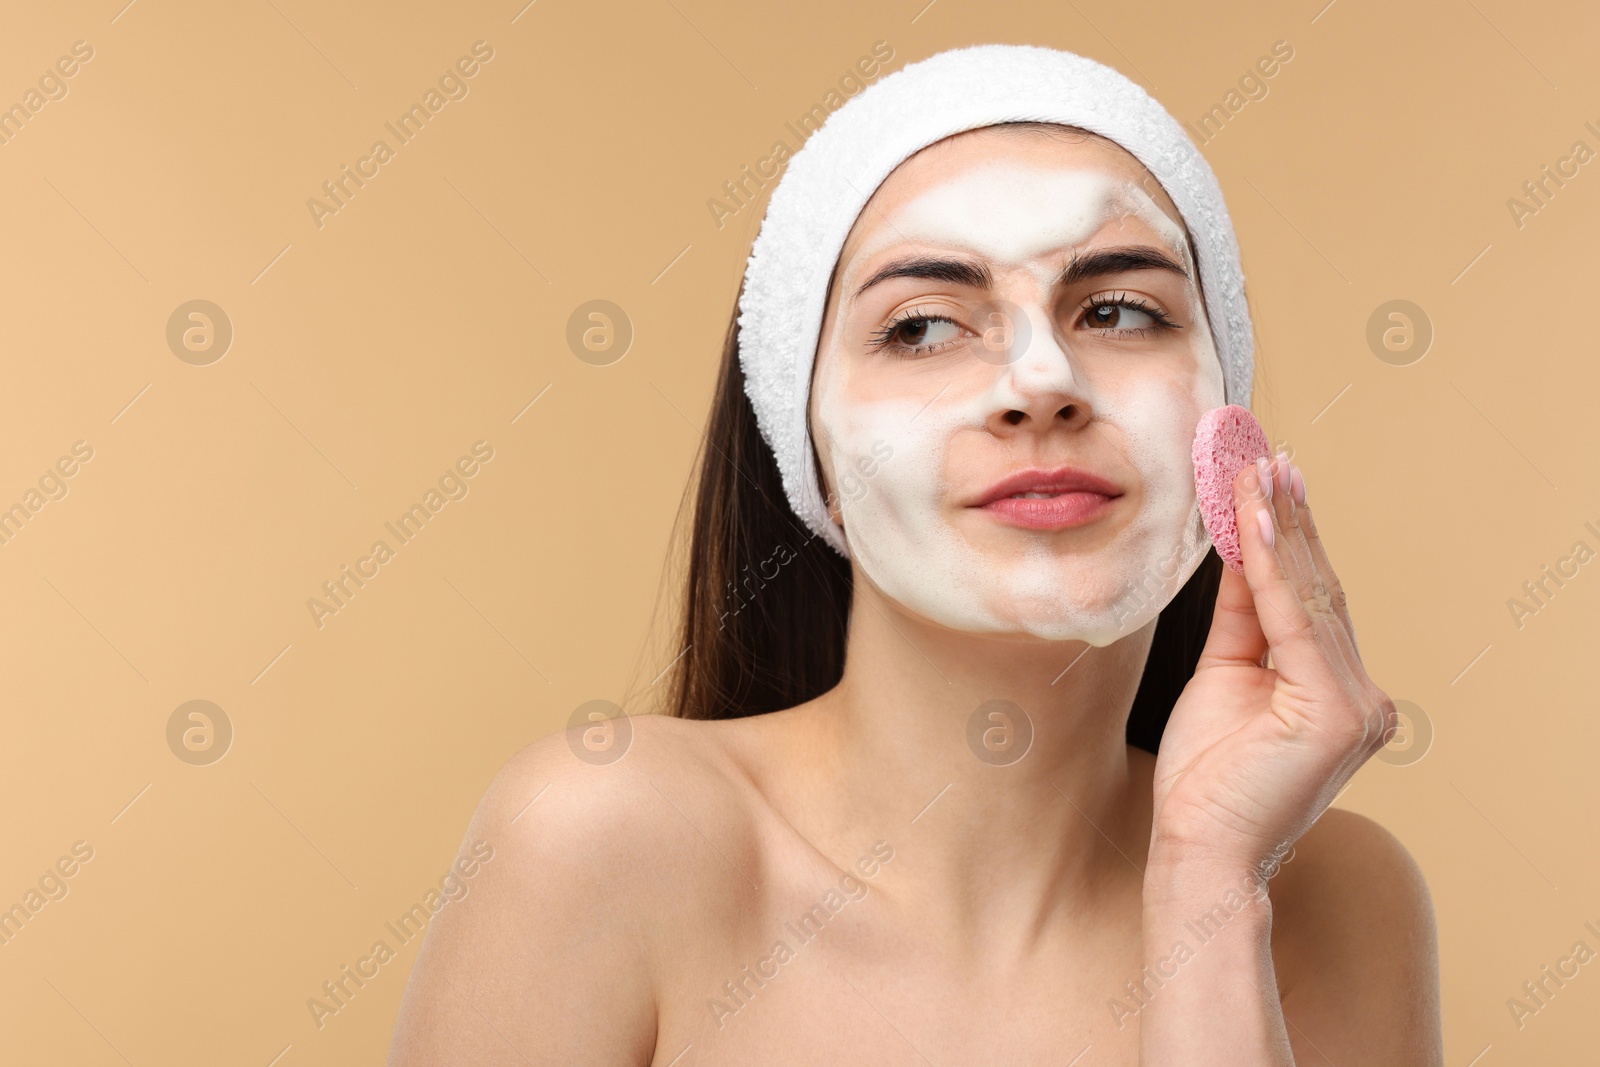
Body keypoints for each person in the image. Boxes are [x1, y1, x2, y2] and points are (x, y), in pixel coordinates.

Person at [389, 44, 1441, 1065]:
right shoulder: (600, 837)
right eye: (924, 326)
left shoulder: (1333, 896)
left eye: (1118, 309)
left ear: (1225, 417)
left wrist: (1207, 893)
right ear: (813, 454)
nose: (1039, 379)